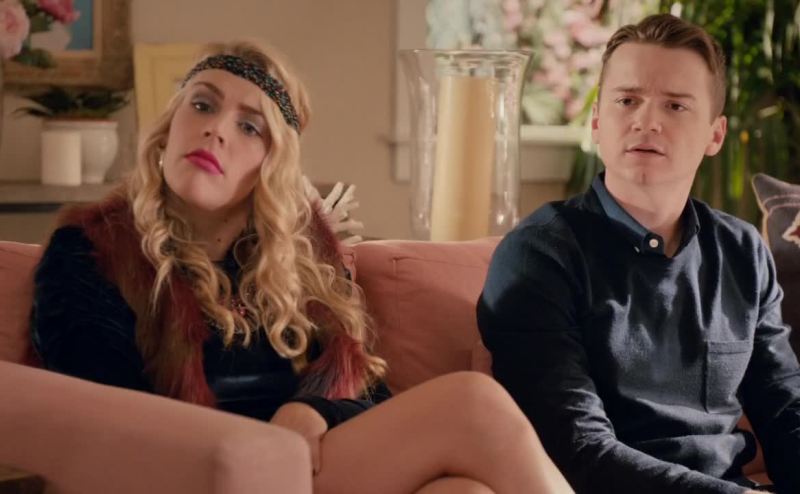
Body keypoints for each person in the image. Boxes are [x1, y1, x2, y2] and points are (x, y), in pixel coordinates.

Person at [30, 40, 573, 494]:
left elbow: (363, 389)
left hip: (305, 472)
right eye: (202, 104)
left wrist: (314, 411)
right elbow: (107, 418)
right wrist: (262, 446)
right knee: (471, 403)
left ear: (272, 165)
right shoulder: (93, 248)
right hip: (194, 477)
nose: (216, 130)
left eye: (250, 127)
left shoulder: (300, 254)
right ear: (169, 126)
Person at [477, 13, 800, 494]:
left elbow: (785, 410)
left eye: (675, 105)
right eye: (627, 100)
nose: (647, 121)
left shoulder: (741, 251)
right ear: (597, 121)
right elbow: (576, 450)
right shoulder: (538, 255)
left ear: (715, 135)